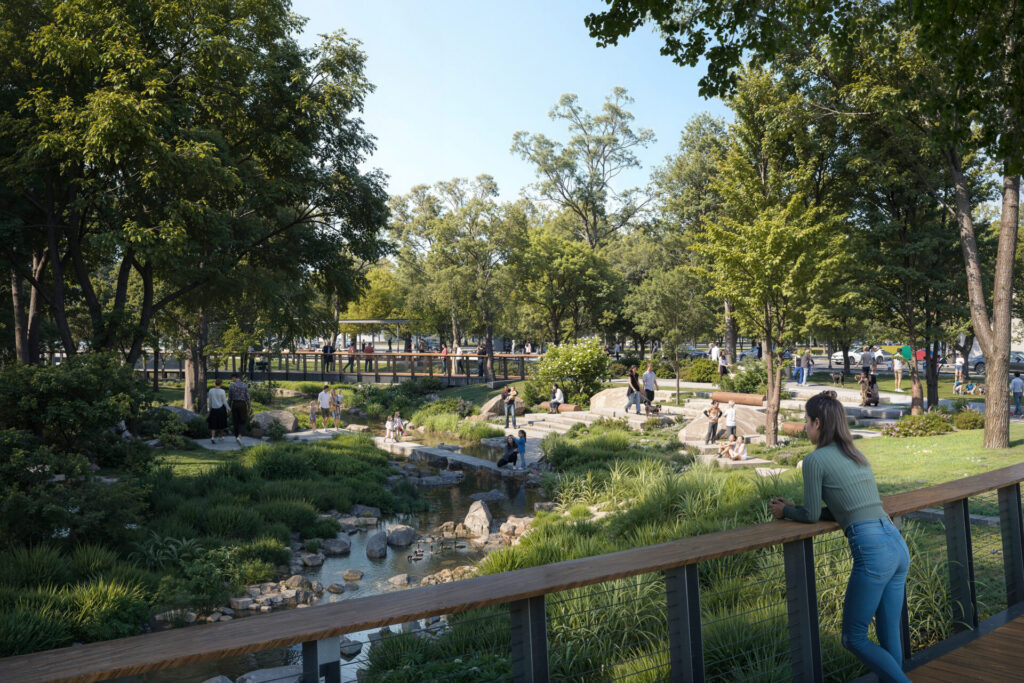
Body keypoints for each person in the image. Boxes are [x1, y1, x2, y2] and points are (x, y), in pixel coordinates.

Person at [770, 391, 910, 683]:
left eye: (806, 421)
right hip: (895, 543)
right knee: (888, 636)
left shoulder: (815, 460)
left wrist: (785, 513)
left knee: (853, 638)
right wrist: (799, 508)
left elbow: (809, 516)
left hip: (872, 549)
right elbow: (842, 508)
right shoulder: (855, 454)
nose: (805, 426)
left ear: (818, 423)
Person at [227, 373, 251, 445]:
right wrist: (249, 406)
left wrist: (229, 408)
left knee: (235, 421)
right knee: (243, 420)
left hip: (234, 404)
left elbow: (230, 398)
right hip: (242, 404)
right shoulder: (244, 385)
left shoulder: (232, 386)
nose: (232, 379)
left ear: (235, 377)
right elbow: (247, 397)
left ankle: (237, 436)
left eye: (232, 378)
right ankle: (239, 436)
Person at [207, 378, 228, 443]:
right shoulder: (222, 391)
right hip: (221, 409)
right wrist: (229, 409)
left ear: (215, 383)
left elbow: (209, 401)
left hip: (213, 409)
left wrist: (209, 409)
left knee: (213, 424)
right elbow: (224, 402)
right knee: (222, 423)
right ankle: (221, 436)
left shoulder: (211, 390)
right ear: (221, 384)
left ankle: (212, 437)